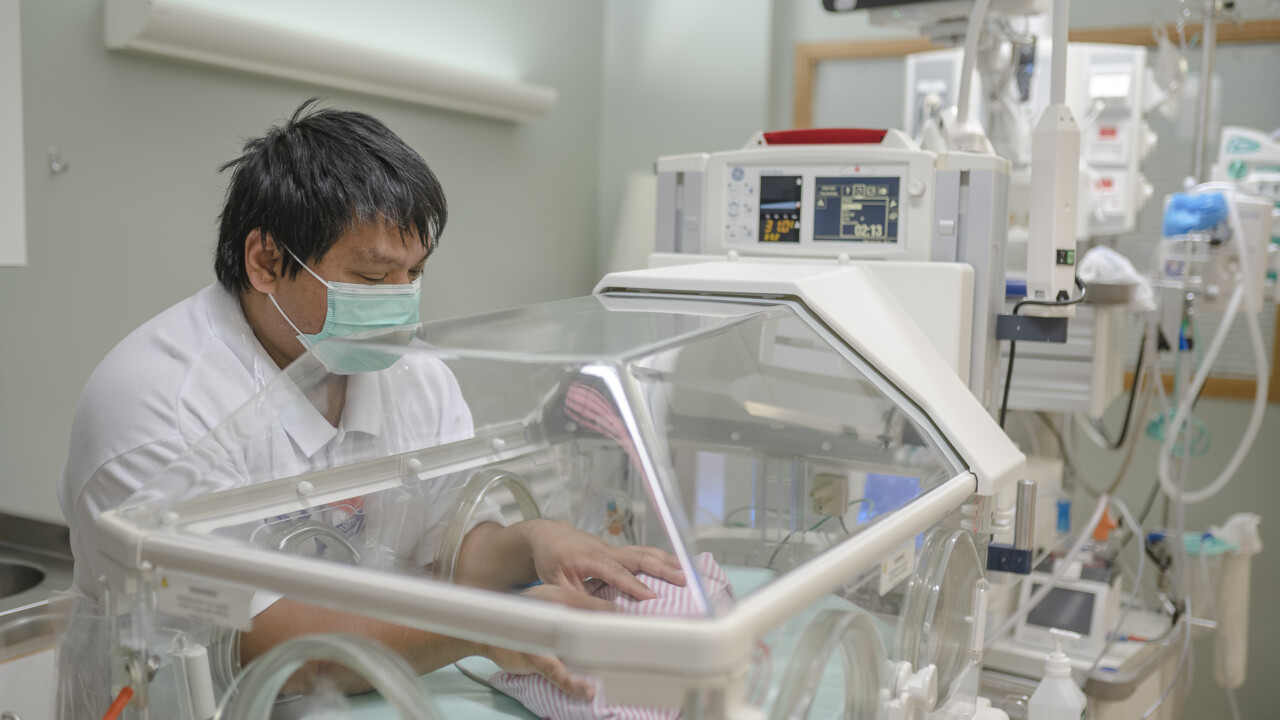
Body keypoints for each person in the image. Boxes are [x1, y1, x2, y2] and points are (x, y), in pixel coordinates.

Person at [57, 99, 683, 716]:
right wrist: (487, 624)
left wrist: (532, 544)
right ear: (266, 260)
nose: (400, 303)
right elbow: (259, 640)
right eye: (373, 278)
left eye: (413, 274)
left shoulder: (412, 376)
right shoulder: (160, 407)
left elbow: (450, 548)